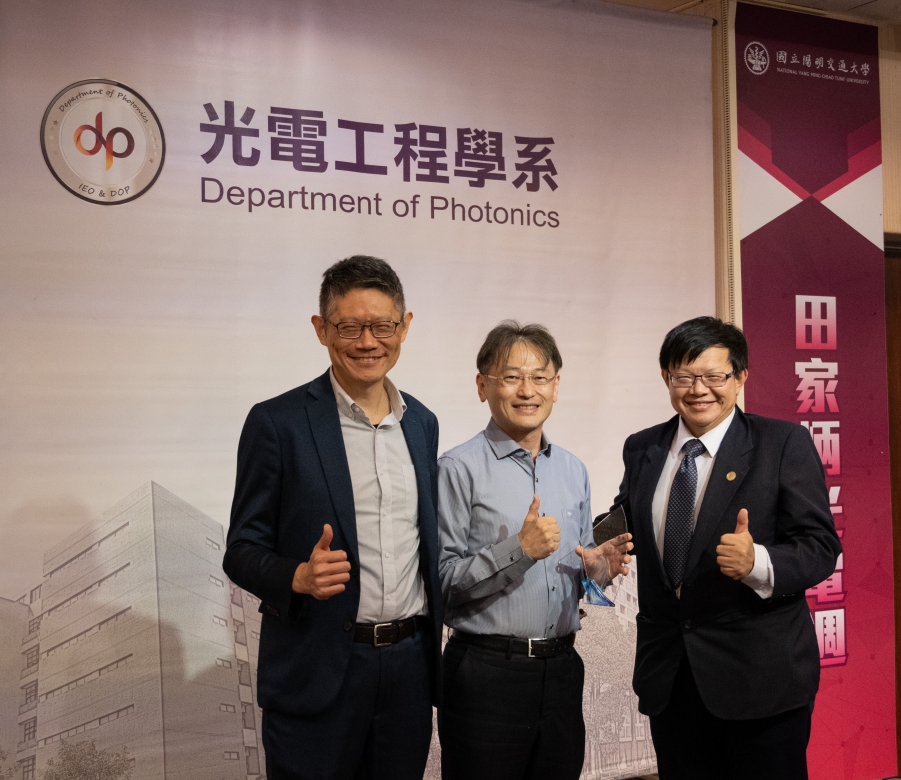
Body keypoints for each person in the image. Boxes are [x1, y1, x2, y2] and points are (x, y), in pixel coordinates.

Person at [222, 255, 442, 780]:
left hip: (408, 672)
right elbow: (241, 550)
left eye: (382, 326)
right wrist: (296, 576)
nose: (367, 342)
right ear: (322, 329)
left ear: (405, 327)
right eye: (348, 327)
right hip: (318, 669)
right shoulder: (277, 423)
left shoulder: (422, 423)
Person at [609, 316, 840, 780]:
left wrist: (759, 562)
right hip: (671, 677)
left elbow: (819, 546)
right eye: (684, 376)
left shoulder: (782, 443)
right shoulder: (642, 447)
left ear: (740, 378)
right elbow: (624, 516)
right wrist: (599, 546)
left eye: (714, 376)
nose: (699, 390)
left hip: (759, 679)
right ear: (666, 378)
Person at [436, 321, 633, 780]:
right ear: (483, 386)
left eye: (540, 377)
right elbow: (442, 582)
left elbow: (575, 575)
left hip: (562, 671)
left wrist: (598, 571)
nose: (527, 390)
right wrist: (519, 550)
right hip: (486, 673)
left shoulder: (573, 470)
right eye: (511, 377)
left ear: (556, 386)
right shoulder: (457, 468)